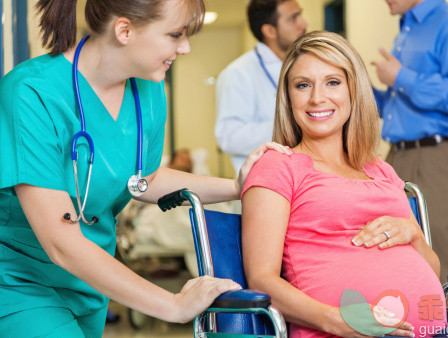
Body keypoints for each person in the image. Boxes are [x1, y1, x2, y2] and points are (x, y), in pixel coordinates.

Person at [0, 0, 292, 336]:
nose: (185, 48)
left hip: (91, 282)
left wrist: (238, 187)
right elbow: (61, 243)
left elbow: (146, 178)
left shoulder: (148, 90)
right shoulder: (31, 93)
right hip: (20, 280)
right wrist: (172, 304)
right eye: (175, 35)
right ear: (124, 30)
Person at [241, 31, 447, 338]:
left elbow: (431, 270)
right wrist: (335, 320)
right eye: (302, 85)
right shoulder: (277, 167)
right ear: (288, 97)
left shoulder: (381, 170)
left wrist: (414, 235)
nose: (317, 98)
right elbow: (261, 279)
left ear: (354, 89)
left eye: (333, 82)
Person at [371, 0, 448, 283]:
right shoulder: (408, 29)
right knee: (398, 263)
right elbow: (404, 107)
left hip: (438, 159)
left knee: (444, 265)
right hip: (397, 158)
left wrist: (401, 77)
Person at [215, 0, 307, 175]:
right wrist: (291, 123)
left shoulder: (302, 65)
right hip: (263, 184)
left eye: (300, 15)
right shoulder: (238, 73)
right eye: (294, 18)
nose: (303, 23)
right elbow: (228, 138)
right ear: (270, 30)